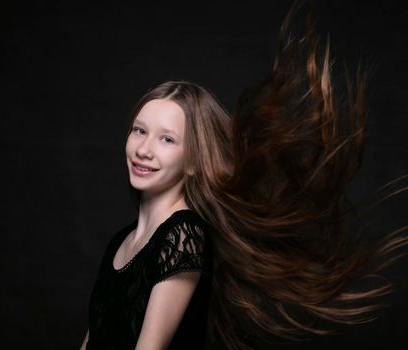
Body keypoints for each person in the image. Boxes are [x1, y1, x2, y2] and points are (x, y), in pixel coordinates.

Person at [80, 3, 408, 350]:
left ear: (194, 161)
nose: (144, 149)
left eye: (167, 139)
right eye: (139, 130)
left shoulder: (182, 235)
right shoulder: (121, 242)